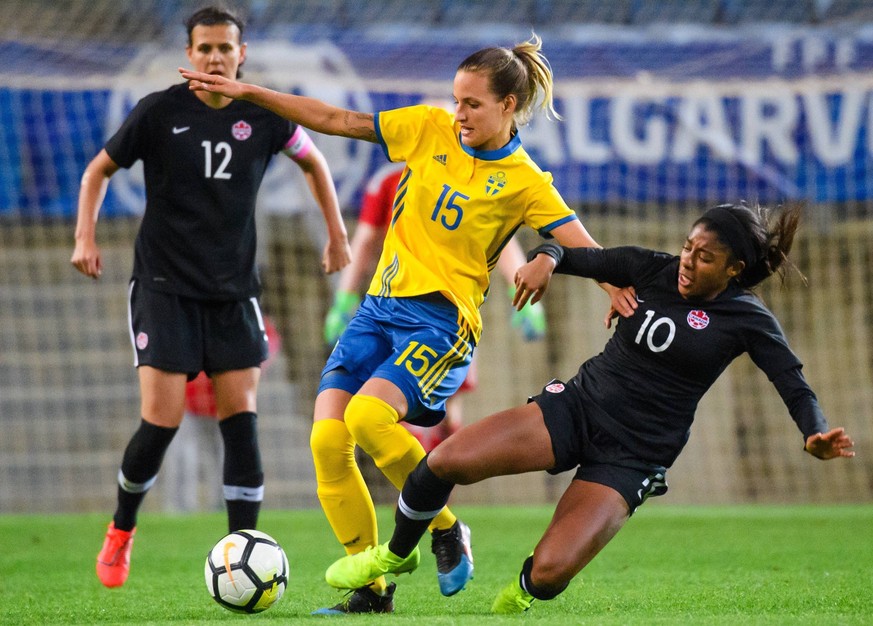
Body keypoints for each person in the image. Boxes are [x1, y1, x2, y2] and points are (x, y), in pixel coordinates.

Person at [180, 33, 636, 614]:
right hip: (378, 309)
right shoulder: (427, 128)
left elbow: (583, 246)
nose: (459, 113)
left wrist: (621, 290)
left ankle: (446, 529)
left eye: (472, 104)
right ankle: (373, 591)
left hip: (442, 323)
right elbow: (336, 118)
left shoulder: (525, 181)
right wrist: (249, 92)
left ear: (508, 106)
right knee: (327, 440)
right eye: (456, 99)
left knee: (369, 417)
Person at [322, 202, 856, 614]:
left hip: (633, 455)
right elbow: (573, 253)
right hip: (578, 409)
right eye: (689, 247)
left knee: (551, 574)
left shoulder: (748, 318)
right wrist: (546, 260)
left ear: (734, 269)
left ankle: (519, 598)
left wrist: (815, 431)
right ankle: (396, 554)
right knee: (442, 463)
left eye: (705, 257)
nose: (688, 262)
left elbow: (792, 382)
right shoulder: (653, 268)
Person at [72, 6, 351, 589]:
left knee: (240, 418)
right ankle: (122, 528)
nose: (216, 57)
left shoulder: (263, 113)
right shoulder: (157, 112)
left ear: (241, 55)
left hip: (232, 292)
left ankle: (240, 549)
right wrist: (85, 237)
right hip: (163, 287)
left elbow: (314, 161)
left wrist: (337, 235)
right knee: (162, 419)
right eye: (205, 48)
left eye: (226, 48)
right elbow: (97, 170)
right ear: (189, 55)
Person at [323, 161, 549, 454]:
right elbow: (366, 239)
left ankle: (429, 485)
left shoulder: (476, 177)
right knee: (406, 402)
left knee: (432, 405)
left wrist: (522, 294)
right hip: (406, 310)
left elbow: (502, 241)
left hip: (448, 314)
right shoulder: (389, 180)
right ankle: (420, 486)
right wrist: (344, 300)